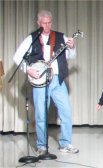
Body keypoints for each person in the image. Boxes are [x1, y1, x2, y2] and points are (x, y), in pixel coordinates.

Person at [12, 9, 79, 154]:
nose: (47, 26)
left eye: (49, 23)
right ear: (38, 23)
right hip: (41, 82)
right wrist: (28, 69)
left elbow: (71, 56)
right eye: (44, 23)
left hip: (58, 80)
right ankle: (42, 146)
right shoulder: (32, 38)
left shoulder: (60, 37)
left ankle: (66, 144)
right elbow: (17, 57)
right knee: (41, 115)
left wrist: (73, 47)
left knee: (66, 112)